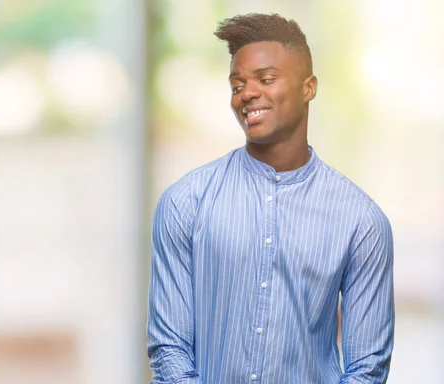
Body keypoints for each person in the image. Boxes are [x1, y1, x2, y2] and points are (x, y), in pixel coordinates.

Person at [146, 13, 394, 384]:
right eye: (237, 84)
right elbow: (169, 349)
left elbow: (367, 369)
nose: (246, 94)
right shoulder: (186, 203)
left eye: (265, 79)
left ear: (308, 87)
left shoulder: (361, 221)